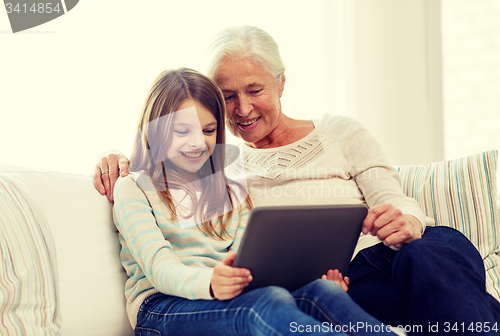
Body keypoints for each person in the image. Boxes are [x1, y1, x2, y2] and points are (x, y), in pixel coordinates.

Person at [97, 27, 500, 334]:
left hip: (398, 254)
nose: (243, 108)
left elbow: (394, 197)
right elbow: (164, 156)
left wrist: (407, 221)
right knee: (304, 297)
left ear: (281, 83)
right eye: (228, 97)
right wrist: (123, 158)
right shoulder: (226, 166)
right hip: (341, 283)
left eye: (255, 89)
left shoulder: (340, 133)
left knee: (425, 253)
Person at [112, 67, 398, 335]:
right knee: (261, 305)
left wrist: (304, 281)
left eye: (209, 131)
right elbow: (160, 269)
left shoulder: (226, 182)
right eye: (182, 131)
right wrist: (210, 284)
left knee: (324, 293)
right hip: (161, 308)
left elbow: (247, 259)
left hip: (226, 298)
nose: (198, 143)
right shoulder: (133, 187)